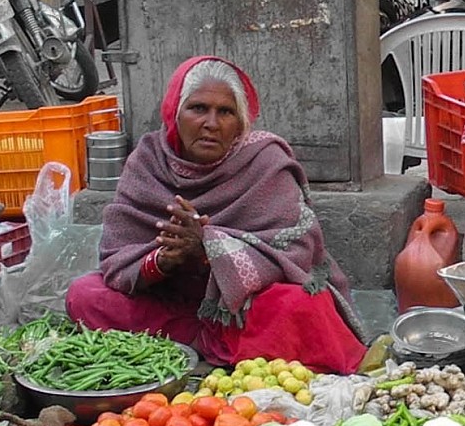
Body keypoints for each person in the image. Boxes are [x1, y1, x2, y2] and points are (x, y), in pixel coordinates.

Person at [66, 57, 364, 373]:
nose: (211, 123)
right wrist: (164, 260)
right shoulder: (147, 161)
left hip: (242, 309)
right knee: (85, 295)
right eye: (198, 108)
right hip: (171, 303)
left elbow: (296, 251)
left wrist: (209, 249)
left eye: (226, 112)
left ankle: (206, 342)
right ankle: (211, 343)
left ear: (240, 123)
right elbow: (118, 255)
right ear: (174, 113)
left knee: (302, 305)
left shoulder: (265, 162)